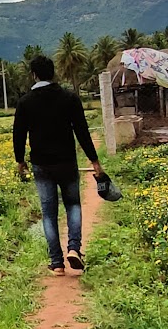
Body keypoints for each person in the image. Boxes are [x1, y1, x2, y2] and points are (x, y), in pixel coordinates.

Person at [12, 55, 104, 275]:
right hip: (67, 162)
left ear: (34, 74)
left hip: (41, 164)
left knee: (48, 212)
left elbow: (18, 134)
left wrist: (20, 160)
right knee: (73, 205)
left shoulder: (25, 102)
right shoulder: (69, 98)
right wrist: (94, 160)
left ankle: (56, 263)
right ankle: (74, 248)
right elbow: (81, 131)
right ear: (53, 73)